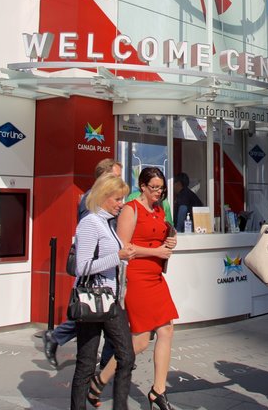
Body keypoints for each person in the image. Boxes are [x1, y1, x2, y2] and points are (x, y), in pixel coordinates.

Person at [95, 167, 179, 409]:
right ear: (142, 186)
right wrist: (156, 251)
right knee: (140, 341)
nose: (157, 192)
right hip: (137, 276)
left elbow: (161, 236)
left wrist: (169, 242)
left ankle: (158, 391)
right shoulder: (131, 209)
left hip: (156, 276)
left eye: (161, 188)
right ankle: (100, 381)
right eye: (153, 188)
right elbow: (123, 248)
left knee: (167, 330)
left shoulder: (160, 210)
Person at [44, 158, 123, 368]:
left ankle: (106, 362)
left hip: (109, 276)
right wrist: (119, 255)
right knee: (88, 313)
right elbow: (91, 240)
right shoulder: (92, 204)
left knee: (92, 316)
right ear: (104, 178)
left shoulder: (109, 203)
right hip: (95, 276)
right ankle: (57, 338)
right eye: (115, 176)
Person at [70, 173, 137, 410]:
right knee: (86, 364)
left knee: (126, 356)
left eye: (123, 199)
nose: (121, 204)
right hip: (93, 300)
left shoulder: (107, 223)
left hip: (110, 301)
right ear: (104, 196)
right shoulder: (90, 223)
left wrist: (123, 256)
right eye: (118, 198)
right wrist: (117, 256)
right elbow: (82, 267)